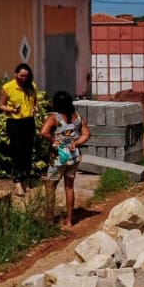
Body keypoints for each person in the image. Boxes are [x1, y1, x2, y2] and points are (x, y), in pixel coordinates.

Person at [40, 91, 90, 228]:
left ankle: (49, 219)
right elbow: (87, 134)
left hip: (58, 158)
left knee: (50, 186)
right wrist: (76, 143)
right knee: (69, 187)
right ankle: (69, 221)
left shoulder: (54, 117)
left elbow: (43, 132)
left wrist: (53, 141)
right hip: (73, 157)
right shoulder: (78, 117)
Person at [0, 63, 39, 195]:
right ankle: (16, 180)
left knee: (27, 151)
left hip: (28, 121)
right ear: (15, 74)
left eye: (26, 76)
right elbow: (1, 105)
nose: (24, 78)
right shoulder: (7, 87)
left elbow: (35, 102)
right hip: (14, 122)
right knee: (17, 151)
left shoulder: (32, 86)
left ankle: (25, 177)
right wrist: (12, 109)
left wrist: (35, 108)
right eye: (21, 75)